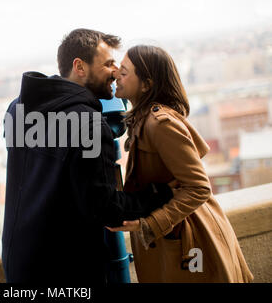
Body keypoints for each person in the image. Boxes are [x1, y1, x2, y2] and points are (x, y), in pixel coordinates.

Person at [2, 29, 173, 284]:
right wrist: (160, 194)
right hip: (68, 269)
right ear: (79, 67)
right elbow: (107, 209)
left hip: (20, 263)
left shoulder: (17, 109)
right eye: (108, 64)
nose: (116, 71)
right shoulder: (88, 124)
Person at [107, 45, 254, 282]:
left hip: (191, 241)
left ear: (146, 84)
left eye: (123, 72)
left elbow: (199, 188)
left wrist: (149, 224)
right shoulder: (145, 119)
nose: (115, 75)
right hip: (175, 235)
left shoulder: (160, 123)